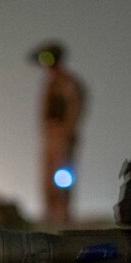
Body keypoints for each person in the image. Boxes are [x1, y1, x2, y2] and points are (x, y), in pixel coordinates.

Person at [30, 41, 86, 226]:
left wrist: (67, 131)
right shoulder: (51, 82)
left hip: (62, 136)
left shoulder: (67, 82)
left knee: (62, 178)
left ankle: (63, 217)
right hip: (50, 136)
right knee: (48, 179)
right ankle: (50, 216)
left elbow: (74, 107)